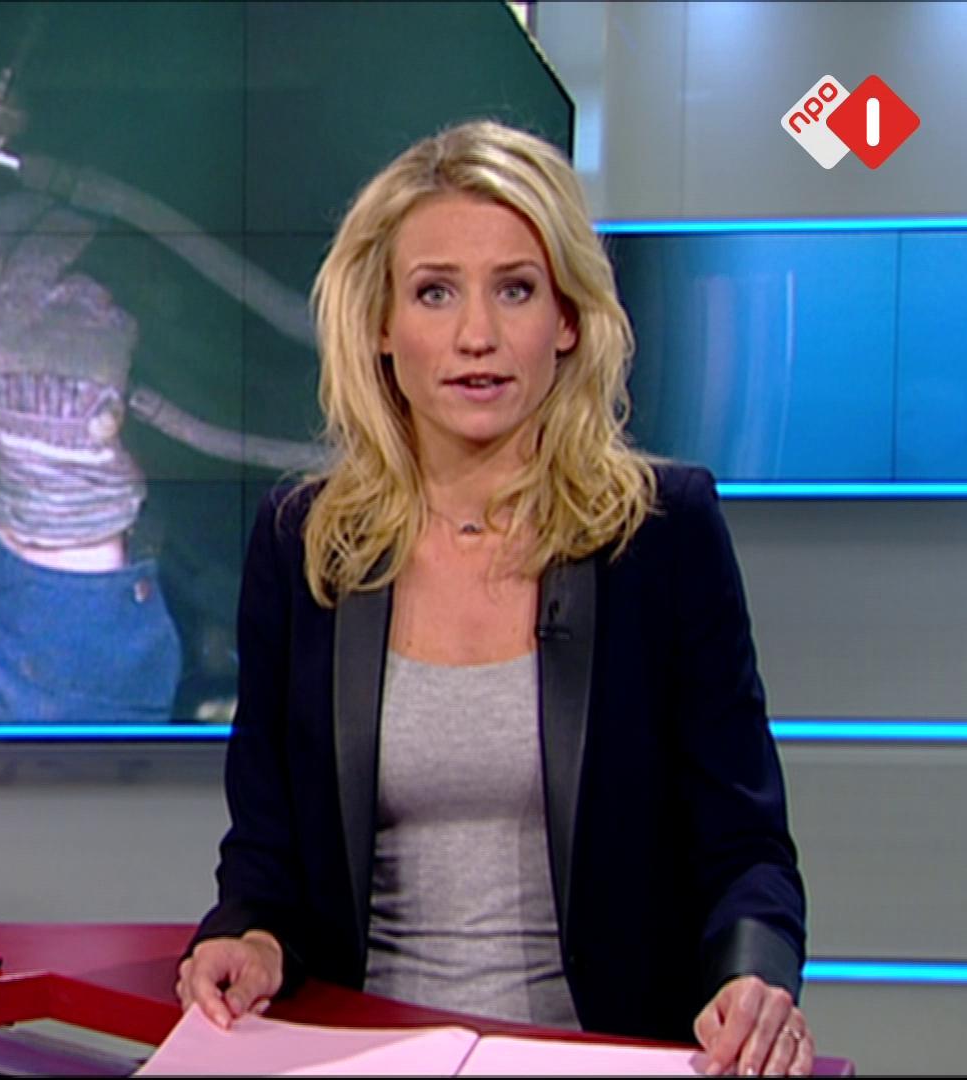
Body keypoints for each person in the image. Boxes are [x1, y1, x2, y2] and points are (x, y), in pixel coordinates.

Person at [174, 119, 815, 1077]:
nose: (477, 336)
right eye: (435, 292)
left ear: (568, 319)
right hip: (364, 1056)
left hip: (600, 1058)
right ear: (381, 324)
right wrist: (250, 936)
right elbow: (266, 849)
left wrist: (751, 976)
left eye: (515, 289)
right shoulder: (305, 545)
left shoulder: (662, 534)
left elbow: (746, 845)